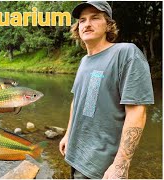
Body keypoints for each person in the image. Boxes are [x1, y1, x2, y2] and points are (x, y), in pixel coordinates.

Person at [59, 1, 154, 179]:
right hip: (75, 156)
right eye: (82, 20)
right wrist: (67, 134)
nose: (87, 24)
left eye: (95, 18)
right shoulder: (84, 61)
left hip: (101, 166)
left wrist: (121, 164)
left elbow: (137, 111)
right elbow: (77, 101)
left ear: (108, 25)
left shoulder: (126, 53)